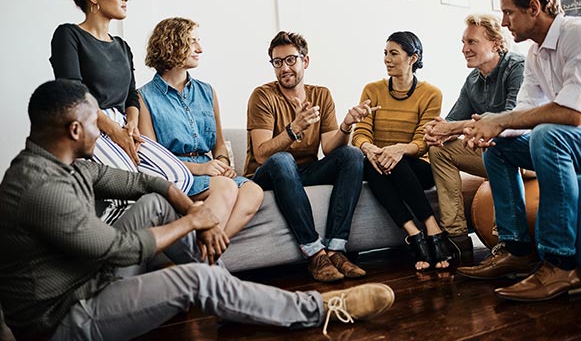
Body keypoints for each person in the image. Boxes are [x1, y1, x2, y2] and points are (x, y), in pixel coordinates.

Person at [0, 79, 395, 340]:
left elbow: (145, 182)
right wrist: (193, 219)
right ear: (74, 131)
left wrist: (197, 216)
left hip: (90, 281)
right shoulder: (39, 186)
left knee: (155, 203)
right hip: (62, 319)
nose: (103, 131)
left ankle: (231, 296)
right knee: (195, 280)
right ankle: (320, 308)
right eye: (96, 124)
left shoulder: (67, 165)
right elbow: (116, 250)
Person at [457, 0, 581, 302]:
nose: (505, 22)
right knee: (499, 148)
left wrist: (502, 120)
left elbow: (573, 113)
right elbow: (522, 116)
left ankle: (560, 263)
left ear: (534, 8)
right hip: (576, 140)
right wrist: (492, 128)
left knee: (548, 135)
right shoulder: (536, 52)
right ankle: (518, 249)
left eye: (509, 12)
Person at [49, 0, 192, 224]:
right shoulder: (68, 35)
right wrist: (115, 131)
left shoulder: (122, 47)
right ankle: (103, 249)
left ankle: (147, 243)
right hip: (89, 124)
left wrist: (131, 125)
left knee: (179, 177)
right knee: (127, 192)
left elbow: (131, 97)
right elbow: (75, 95)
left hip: (122, 124)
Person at [245, 31, 378, 282]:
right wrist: (294, 129)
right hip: (266, 175)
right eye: (277, 62)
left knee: (351, 154)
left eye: (291, 60)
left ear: (305, 61)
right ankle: (315, 253)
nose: (284, 67)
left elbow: (330, 148)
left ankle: (336, 249)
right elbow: (262, 154)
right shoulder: (262, 96)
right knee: (282, 160)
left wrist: (346, 126)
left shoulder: (322, 95)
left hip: (303, 173)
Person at [138, 17, 263, 239]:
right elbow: (152, 158)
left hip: (211, 171)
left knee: (253, 191)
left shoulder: (207, 91)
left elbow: (219, 144)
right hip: (177, 174)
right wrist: (200, 169)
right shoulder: (144, 97)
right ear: (172, 44)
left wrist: (223, 163)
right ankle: (203, 261)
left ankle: (204, 256)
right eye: (192, 41)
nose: (200, 48)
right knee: (226, 187)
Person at [424, 14, 524, 257]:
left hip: (521, 151)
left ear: (496, 43)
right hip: (491, 151)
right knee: (439, 150)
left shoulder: (517, 67)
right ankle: (457, 239)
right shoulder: (473, 80)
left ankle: (508, 243)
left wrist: (454, 128)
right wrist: (435, 131)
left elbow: (513, 118)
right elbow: (451, 122)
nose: (464, 49)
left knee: (498, 141)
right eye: (463, 43)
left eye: (471, 42)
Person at [352, 31, 452, 271]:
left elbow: (423, 140)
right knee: (372, 164)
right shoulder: (372, 90)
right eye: (385, 53)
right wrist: (369, 147)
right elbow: (361, 132)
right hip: (381, 163)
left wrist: (399, 150)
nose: (387, 59)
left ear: (413, 58)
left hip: (417, 165)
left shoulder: (431, 93)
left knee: (394, 162)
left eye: (394, 53)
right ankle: (416, 233)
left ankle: (431, 228)